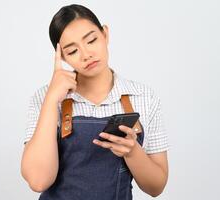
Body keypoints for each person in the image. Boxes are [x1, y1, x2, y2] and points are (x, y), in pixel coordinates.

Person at [21, 4, 170, 200]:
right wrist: (51, 100)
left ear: (105, 34)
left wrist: (133, 152)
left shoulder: (143, 97)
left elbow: (156, 187)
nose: (86, 54)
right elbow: (38, 181)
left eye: (91, 40)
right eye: (72, 51)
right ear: (62, 57)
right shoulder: (45, 98)